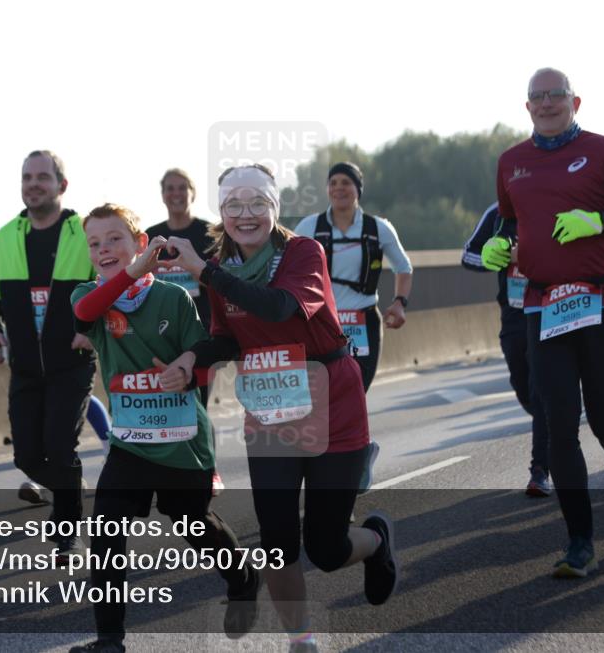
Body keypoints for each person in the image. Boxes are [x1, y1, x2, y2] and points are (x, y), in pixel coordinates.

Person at [158, 164, 398, 653]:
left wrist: (205, 271)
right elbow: (226, 337)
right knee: (277, 537)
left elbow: (277, 307)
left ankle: (375, 540)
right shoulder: (219, 267)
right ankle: (301, 639)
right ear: (221, 212)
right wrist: (191, 358)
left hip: (331, 401)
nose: (245, 215)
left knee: (326, 549)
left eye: (256, 203)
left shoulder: (303, 252)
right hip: (270, 411)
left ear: (274, 207)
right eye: (233, 205)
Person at [482, 68, 604, 578]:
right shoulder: (511, 161)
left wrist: (600, 221)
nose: (546, 104)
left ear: (574, 101)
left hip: (603, 299)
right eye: (537, 97)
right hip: (543, 303)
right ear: (527, 107)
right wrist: (501, 243)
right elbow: (510, 219)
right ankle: (579, 541)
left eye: (555, 95)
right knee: (560, 423)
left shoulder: (603, 151)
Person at [68, 203, 258, 653]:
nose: (103, 249)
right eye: (94, 243)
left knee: (194, 525)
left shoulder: (173, 298)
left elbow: (207, 360)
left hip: (181, 443)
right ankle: (110, 640)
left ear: (139, 243)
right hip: (130, 445)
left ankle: (244, 578)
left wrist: (185, 371)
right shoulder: (87, 295)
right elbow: (84, 315)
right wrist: (131, 272)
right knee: (106, 530)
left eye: (114, 239)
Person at [0, 150, 97, 560]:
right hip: (26, 367)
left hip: (71, 363)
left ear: (61, 185)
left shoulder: (84, 233)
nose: (33, 184)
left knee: (62, 449)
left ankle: (69, 533)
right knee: (27, 456)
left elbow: (111, 284)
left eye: (42, 177)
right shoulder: (6, 237)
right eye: (27, 177)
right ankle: (69, 489)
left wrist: (92, 332)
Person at [294, 162, 413, 493]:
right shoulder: (309, 226)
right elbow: (286, 264)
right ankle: (338, 462)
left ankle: (356, 458)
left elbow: (403, 267)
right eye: (333, 182)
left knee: (354, 394)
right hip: (322, 324)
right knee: (321, 397)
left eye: (346, 182)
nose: (339, 188)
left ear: (358, 189)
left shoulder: (378, 228)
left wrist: (399, 303)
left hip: (363, 321)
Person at [462, 202, 551, 497]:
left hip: (550, 310)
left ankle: (539, 471)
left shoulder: (555, 200)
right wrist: (500, 258)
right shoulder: (498, 213)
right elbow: (468, 255)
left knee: (540, 391)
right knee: (523, 386)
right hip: (514, 314)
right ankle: (551, 421)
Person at [146, 168, 225, 495]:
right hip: (162, 333)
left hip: (202, 332)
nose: (176, 194)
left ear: (192, 193)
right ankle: (172, 471)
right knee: (167, 405)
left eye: (182, 188)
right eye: (170, 188)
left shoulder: (208, 233)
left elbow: (224, 281)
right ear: (162, 194)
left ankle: (209, 469)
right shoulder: (153, 236)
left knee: (198, 403)